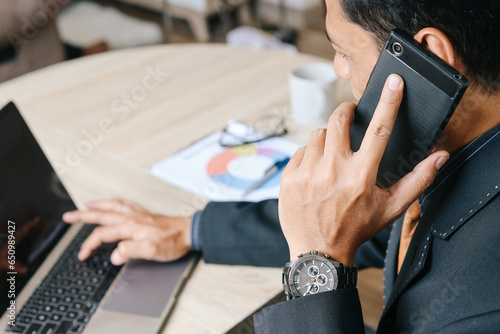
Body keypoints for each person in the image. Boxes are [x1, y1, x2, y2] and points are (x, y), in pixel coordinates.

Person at [63, 0, 500, 332]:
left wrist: (320, 263)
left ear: (432, 58)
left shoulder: (478, 309)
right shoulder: (451, 147)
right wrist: (190, 230)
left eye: (344, 50)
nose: (337, 67)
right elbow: (371, 220)